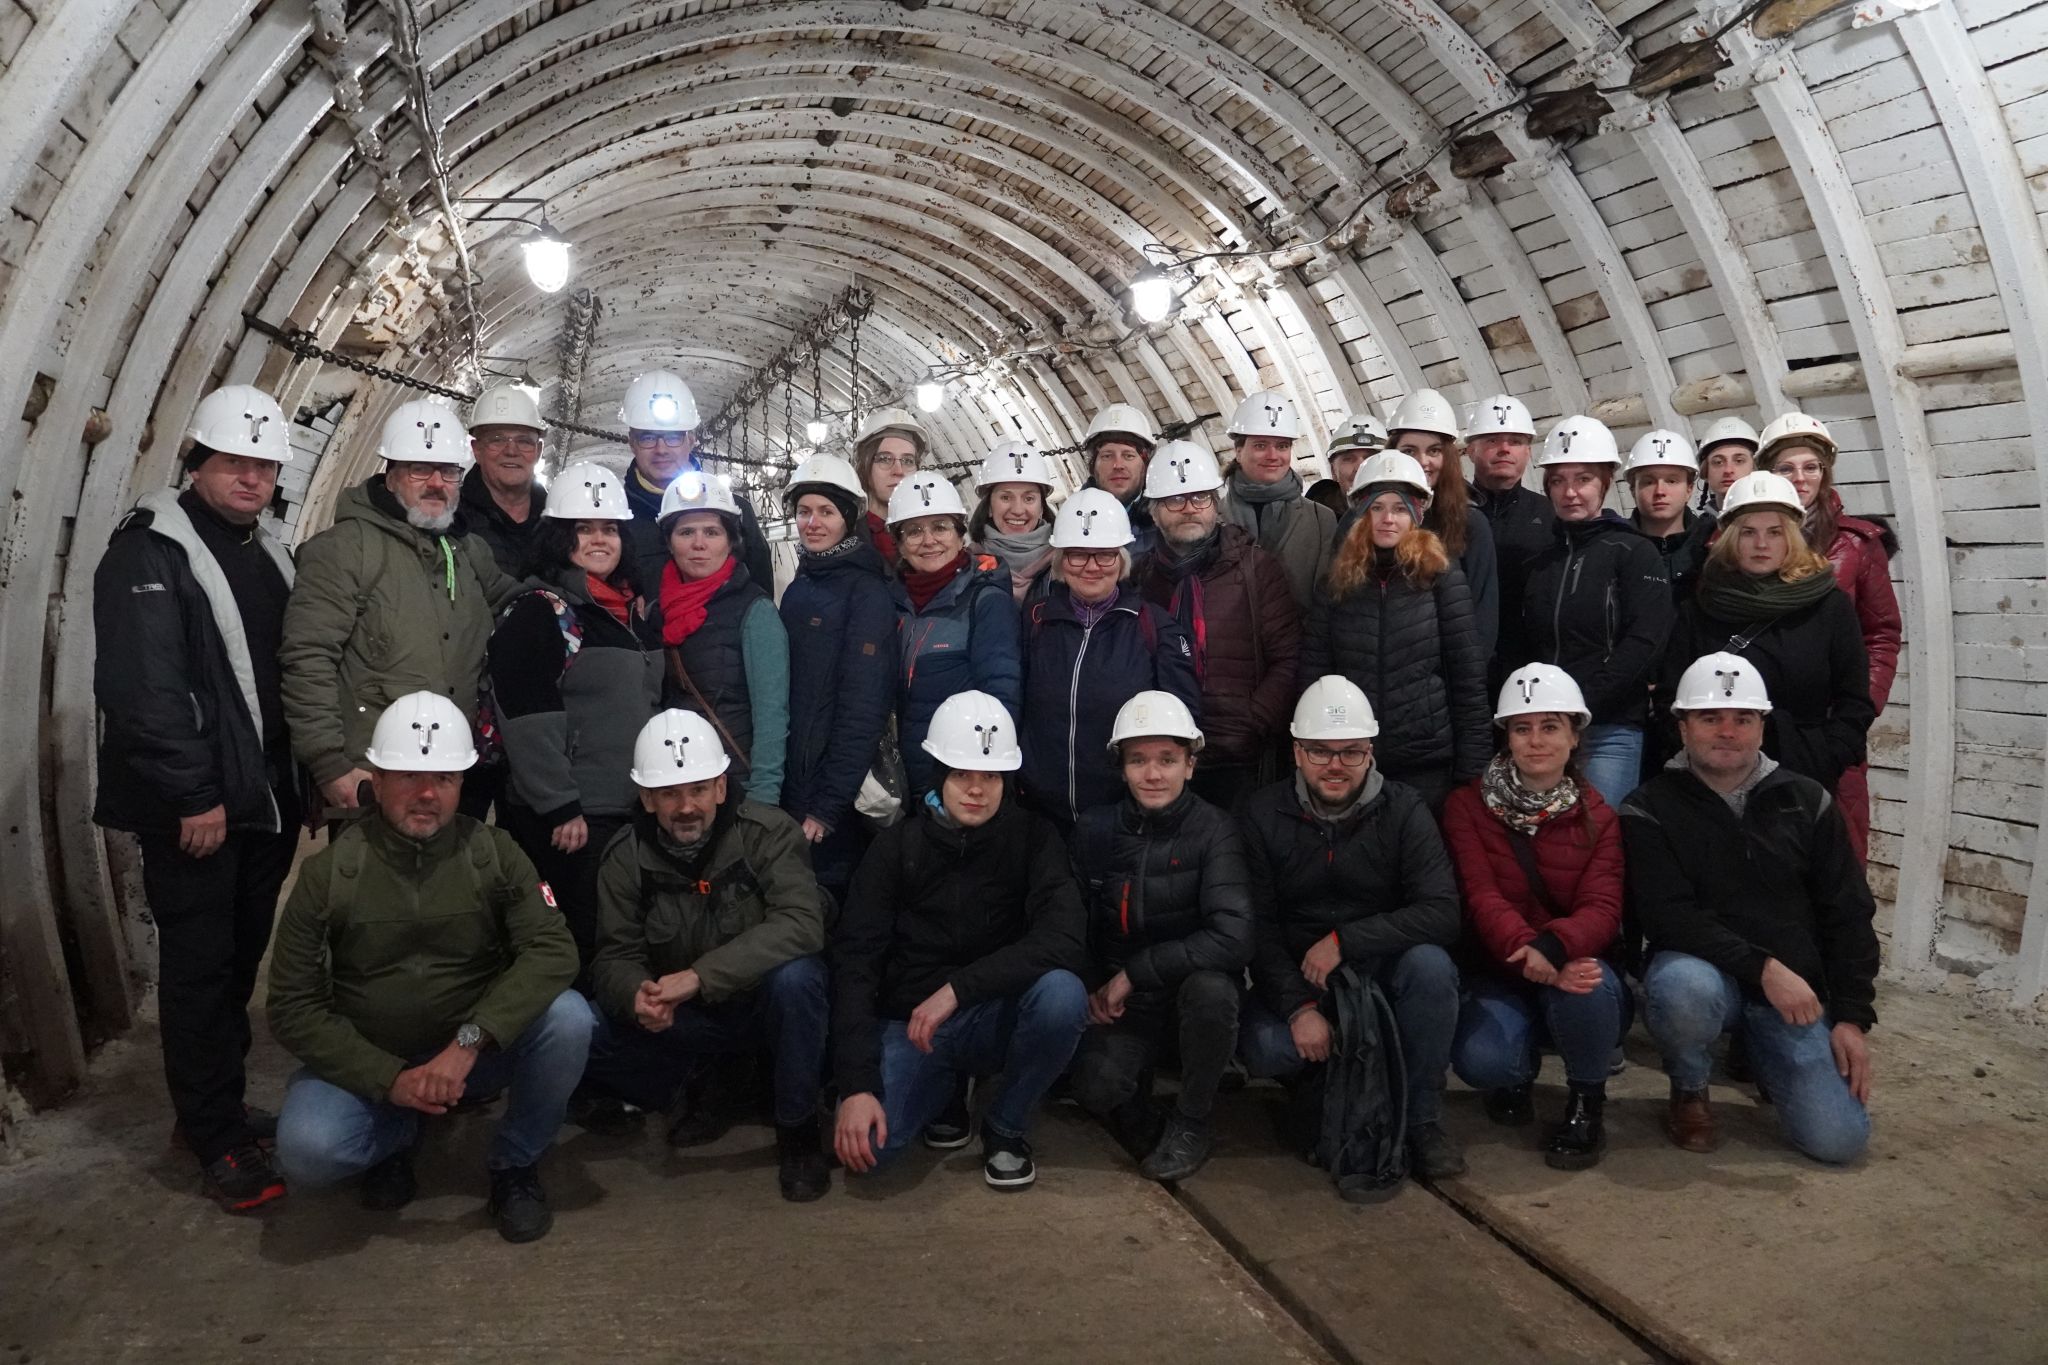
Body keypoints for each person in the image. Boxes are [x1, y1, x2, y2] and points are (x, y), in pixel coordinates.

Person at [268, 692, 588, 1242]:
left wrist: (467, 1044)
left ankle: (514, 1165)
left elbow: (553, 949)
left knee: (569, 1018)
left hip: (471, 1053)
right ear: (378, 777)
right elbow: (292, 1006)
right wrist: (388, 1079)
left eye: (444, 778)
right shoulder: (330, 874)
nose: (426, 794)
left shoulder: (494, 852)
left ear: (462, 784)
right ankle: (398, 1128)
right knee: (308, 1151)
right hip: (373, 1057)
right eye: (409, 776)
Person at [91, 385, 300, 1212]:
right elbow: (145, 691)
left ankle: (211, 1105)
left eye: (263, 464)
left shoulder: (268, 549)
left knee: (237, 959)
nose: (250, 477)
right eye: (233, 461)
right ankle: (215, 1137)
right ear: (197, 463)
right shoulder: (150, 554)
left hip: (263, 798)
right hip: (199, 809)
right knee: (199, 967)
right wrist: (193, 795)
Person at [1624, 653, 1877, 1164]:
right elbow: (1668, 916)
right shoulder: (1649, 807)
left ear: (1762, 725)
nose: (1727, 731)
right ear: (1682, 725)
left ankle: (1762, 1054)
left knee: (1840, 1141)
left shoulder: (1808, 801)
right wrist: (1763, 968)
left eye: (1743, 718)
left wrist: (1850, 1017)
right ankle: (1690, 1087)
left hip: (1788, 995)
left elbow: (1847, 912)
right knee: (1680, 988)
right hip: (1707, 975)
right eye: (1710, 717)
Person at [830, 691, 1089, 1189]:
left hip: (989, 1013)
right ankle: (944, 1091)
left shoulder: (1035, 839)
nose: (977, 790)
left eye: (990, 776)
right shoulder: (895, 849)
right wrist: (857, 1084)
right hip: (910, 1026)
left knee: (1062, 996)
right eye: (961, 774)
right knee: (871, 1155)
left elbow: (1063, 938)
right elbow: (855, 964)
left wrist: (958, 991)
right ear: (938, 776)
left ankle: (1006, 1124)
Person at [582, 710, 832, 1202]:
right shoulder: (624, 857)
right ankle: (705, 1084)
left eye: (698, 789)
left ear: (720, 787)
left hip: (762, 1006)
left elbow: (803, 923)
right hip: (685, 1019)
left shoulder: (768, 834)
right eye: (669, 793)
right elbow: (613, 956)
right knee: (584, 1028)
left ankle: (798, 1128)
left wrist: (698, 976)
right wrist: (637, 995)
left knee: (799, 979)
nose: (686, 806)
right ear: (646, 798)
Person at [1238, 676, 1467, 1180]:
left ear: (1371, 752)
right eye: (1320, 752)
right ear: (1297, 753)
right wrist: (1298, 1007)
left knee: (1432, 968)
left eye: (1351, 752)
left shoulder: (1405, 810)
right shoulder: (1261, 814)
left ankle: (1423, 1119)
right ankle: (1328, 1090)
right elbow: (1260, 926)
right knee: (1268, 1046)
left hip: (1382, 972)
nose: (1336, 765)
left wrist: (1347, 941)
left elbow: (1442, 910)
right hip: (1305, 980)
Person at [280, 398, 521, 820]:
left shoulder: (467, 552)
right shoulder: (343, 551)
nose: (436, 484)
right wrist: (328, 762)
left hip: (451, 767)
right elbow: (308, 657)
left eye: (448, 473)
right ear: (390, 476)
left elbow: (516, 603)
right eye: (419, 470)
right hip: (372, 773)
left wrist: (570, 595)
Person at [1444, 665, 1627, 1171]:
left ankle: (1587, 1104)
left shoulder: (1601, 817)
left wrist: (1555, 947)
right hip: (1501, 965)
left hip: (1571, 962)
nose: (1536, 740)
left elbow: (1604, 906)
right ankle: (1515, 1072)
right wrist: (1534, 952)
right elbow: (1480, 896)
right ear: (1506, 737)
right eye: (1522, 728)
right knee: (1484, 1061)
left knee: (1587, 983)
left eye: (1550, 726)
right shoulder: (1467, 807)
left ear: (1573, 736)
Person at [1068, 692, 1251, 1183]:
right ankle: (1137, 1105)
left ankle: (1192, 1121)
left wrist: (1135, 972)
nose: (1153, 774)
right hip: (1122, 1003)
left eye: (1168, 760)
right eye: (1139, 760)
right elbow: (1071, 922)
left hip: (1188, 997)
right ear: (1121, 767)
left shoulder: (1216, 831)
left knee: (1213, 991)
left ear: (1190, 765)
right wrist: (1089, 985)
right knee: (1096, 1088)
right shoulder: (1096, 830)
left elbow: (1233, 937)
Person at [485, 461, 659, 974]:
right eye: (585, 529)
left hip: (625, 806)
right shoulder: (545, 611)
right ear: (561, 536)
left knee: (619, 936)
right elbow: (525, 711)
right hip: (575, 818)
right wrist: (559, 805)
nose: (600, 540)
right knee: (576, 940)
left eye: (610, 529)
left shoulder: (625, 613)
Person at [1656, 472, 1873, 797]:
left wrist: (1827, 755)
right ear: (1731, 537)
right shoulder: (1701, 607)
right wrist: (1699, 759)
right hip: (1712, 779)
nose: (1761, 544)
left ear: (1791, 537)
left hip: (1803, 776)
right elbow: (1669, 696)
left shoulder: (1827, 605)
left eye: (1774, 532)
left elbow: (1854, 698)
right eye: (1748, 533)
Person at [1304, 452, 1488, 810]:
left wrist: (1472, 766)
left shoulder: (1441, 579)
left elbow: (1467, 677)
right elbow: (1315, 671)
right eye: (1377, 508)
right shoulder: (1337, 584)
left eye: (1400, 509)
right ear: (1362, 513)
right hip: (1352, 758)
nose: (1388, 519)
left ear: (1416, 515)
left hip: (1427, 762)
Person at [1759, 411, 1901, 864]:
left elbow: (1881, 633)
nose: (1800, 478)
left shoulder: (1856, 544)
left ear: (1825, 472)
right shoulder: (1742, 538)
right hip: (1761, 726)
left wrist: (1858, 712)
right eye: (1786, 468)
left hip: (1829, 725)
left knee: (1837, 854)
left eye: (1811, 467)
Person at [1018, 489, 1200, 828]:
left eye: (1104, 555)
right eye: (1077, 555)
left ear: (1121, 560)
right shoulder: (1035, 620)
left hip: (1124, 817)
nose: (1091, 567)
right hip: (1041, 815)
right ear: (1060, 561)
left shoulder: (1154, 627)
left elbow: (1182, 722)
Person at [1518, 415, 1674, 808]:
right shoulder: (1540, 558)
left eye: (1583, 479)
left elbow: (1645, 641)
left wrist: (1584, 703)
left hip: (1610, 727)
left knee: (1596, 833)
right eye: (1558, 481)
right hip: (1543, 726)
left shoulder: (1634, 552)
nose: (1571, 492)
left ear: (1604, 483)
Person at [1137, 440, 1301, 809]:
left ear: (1216, 504)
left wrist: (1253, 722)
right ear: (1155, 512)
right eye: (1175, 501)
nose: (1189, 510)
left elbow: (1289, 658)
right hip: (1165, 755)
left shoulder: (1257, 569)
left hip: (1241, 759)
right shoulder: (1141, 580)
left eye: (1200, 498)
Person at [778, 452, 897, 894]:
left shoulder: (865, 592)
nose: (813, 522)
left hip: (831, 800)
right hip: (798, 782)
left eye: (826, 512)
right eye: (804, 512)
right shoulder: (803, 585)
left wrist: (828, 806)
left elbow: (863, 707)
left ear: (848, 518)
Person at [642, 470, 788, 806]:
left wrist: (764, 796)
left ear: (730, 541)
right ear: (669, 541)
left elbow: (771, 713)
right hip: (674, 783)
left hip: (733, 784)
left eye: (712, 532)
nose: (698, 544)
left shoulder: (755, 611)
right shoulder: (655, 613)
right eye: (686, 532)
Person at [890, 469, 1023, 797]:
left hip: (958, 781)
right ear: (901, 544)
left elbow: (1001, 695)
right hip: (902, 779)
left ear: (960, 533)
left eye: (940, 527)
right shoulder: (892, 603)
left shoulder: (985, 601)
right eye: (914, 531)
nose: (929, 540)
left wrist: (976, 781)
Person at [616, 369, 773, 592]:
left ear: (691, 439)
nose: (661, 449)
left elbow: (761, 595)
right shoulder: (615, 518)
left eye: (673, 437)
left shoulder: (736, 512)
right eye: (648, 437)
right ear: (632, 442)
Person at [1386, 388, 1499, 654]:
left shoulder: (1471, 523)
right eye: (1409, 451)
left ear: (1447, 457)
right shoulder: (1366, 520)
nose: (1422, 462)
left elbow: (1483, 618)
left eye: (1434, 451)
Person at [1221, 390, 1333, 611]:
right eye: (1261, 445)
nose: (1273, 456)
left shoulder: (1321, 519)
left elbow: (1326, 600)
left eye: (1282, 446)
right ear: (1238, 450)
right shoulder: (1213, 516)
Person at [1463, 394, 1551, 667]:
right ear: (1470, 451)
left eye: (1515, 441)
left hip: (1530, 660)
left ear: (1529, 451)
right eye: (1492, 440)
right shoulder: (1447, 513)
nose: (1504, 449)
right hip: (1463, 659)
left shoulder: (1550, 515)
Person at [459, 383, 549, 579]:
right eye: (497, 440)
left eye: (524, 441)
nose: (511, 451)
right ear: (477, 449)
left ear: (538, 451)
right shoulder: (453, 521)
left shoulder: (559, 520)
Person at [1624, 429, 1717, 607]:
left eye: (1672, 481)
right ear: (1632, 490)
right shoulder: (1616, 548)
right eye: (1649, 482)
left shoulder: (1711, 546)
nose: (1660, 491)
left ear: (1689, 489)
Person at [969, 441, 1060, 602]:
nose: (1018, 510)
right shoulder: (965, 564)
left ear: (1041, 508)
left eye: (1029, 498)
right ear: (989, 506)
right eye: (1005, 497)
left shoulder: (1067, 563)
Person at [852, 406, 929, 567]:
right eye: (885, 459)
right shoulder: (843, 536)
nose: (898, 471)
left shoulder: (931, 535)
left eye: (908, 461)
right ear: (864, 467)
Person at [1082, 402, 1159, 556]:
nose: (1118, 465)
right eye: (1107, 456)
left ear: (1145, 465)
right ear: (1093, 466)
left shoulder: (1165, 520)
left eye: (1128, 456)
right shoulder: (1072, 519)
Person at [1322, 409, 1387, 508]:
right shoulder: (1313, 520)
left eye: (1371, 458)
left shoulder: (1412, 517)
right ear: (1333, 471)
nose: (1360, 468)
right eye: (1348, 459)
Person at [1695, 415, 1760, 511]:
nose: (1728, 470)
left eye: (1739, 461)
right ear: (1705, 471)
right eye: (1718, 462)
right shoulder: (1699, 526)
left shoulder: (1780, 521)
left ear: (1756, 467)